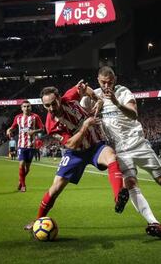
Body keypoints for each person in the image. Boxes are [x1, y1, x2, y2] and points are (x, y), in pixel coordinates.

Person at [24, 81, 128, 230]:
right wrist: (85, 125)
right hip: (75, 153)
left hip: (95, 146)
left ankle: (119, 197)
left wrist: (97, 99)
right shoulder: (51, 125)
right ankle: (38, 220)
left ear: (59, 98)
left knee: (111, 156)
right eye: (47, 106)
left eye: (53, 103)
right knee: (55, 189)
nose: (51, 108)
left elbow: (84, 88)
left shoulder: (69, 96)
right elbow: (71, 144)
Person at [91, 66, 161, 237]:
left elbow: (134, 114)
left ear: (115, 79)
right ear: (98, 80)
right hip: (119, 150)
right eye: (103, 82)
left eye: (110, 81)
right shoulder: (93, 95)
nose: (107, 85)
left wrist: (116, 102)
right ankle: (154, 222)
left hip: (137, 144)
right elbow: (76, 106)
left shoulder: (123, 92)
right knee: (130, 183)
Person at [6, 100, 44, 192]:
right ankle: (23, 185)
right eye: (24, 106)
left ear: (31, 107)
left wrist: (34, 131)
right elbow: (13, 126)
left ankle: (20, 181)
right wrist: (9, 130)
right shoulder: (18, 117)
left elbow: (42, 128)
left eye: (28, 106)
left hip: (31, 146)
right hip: (21, 145)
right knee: (21, 164)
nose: (26, 108)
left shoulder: (35, 117)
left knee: (27, 168)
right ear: (21, 108)